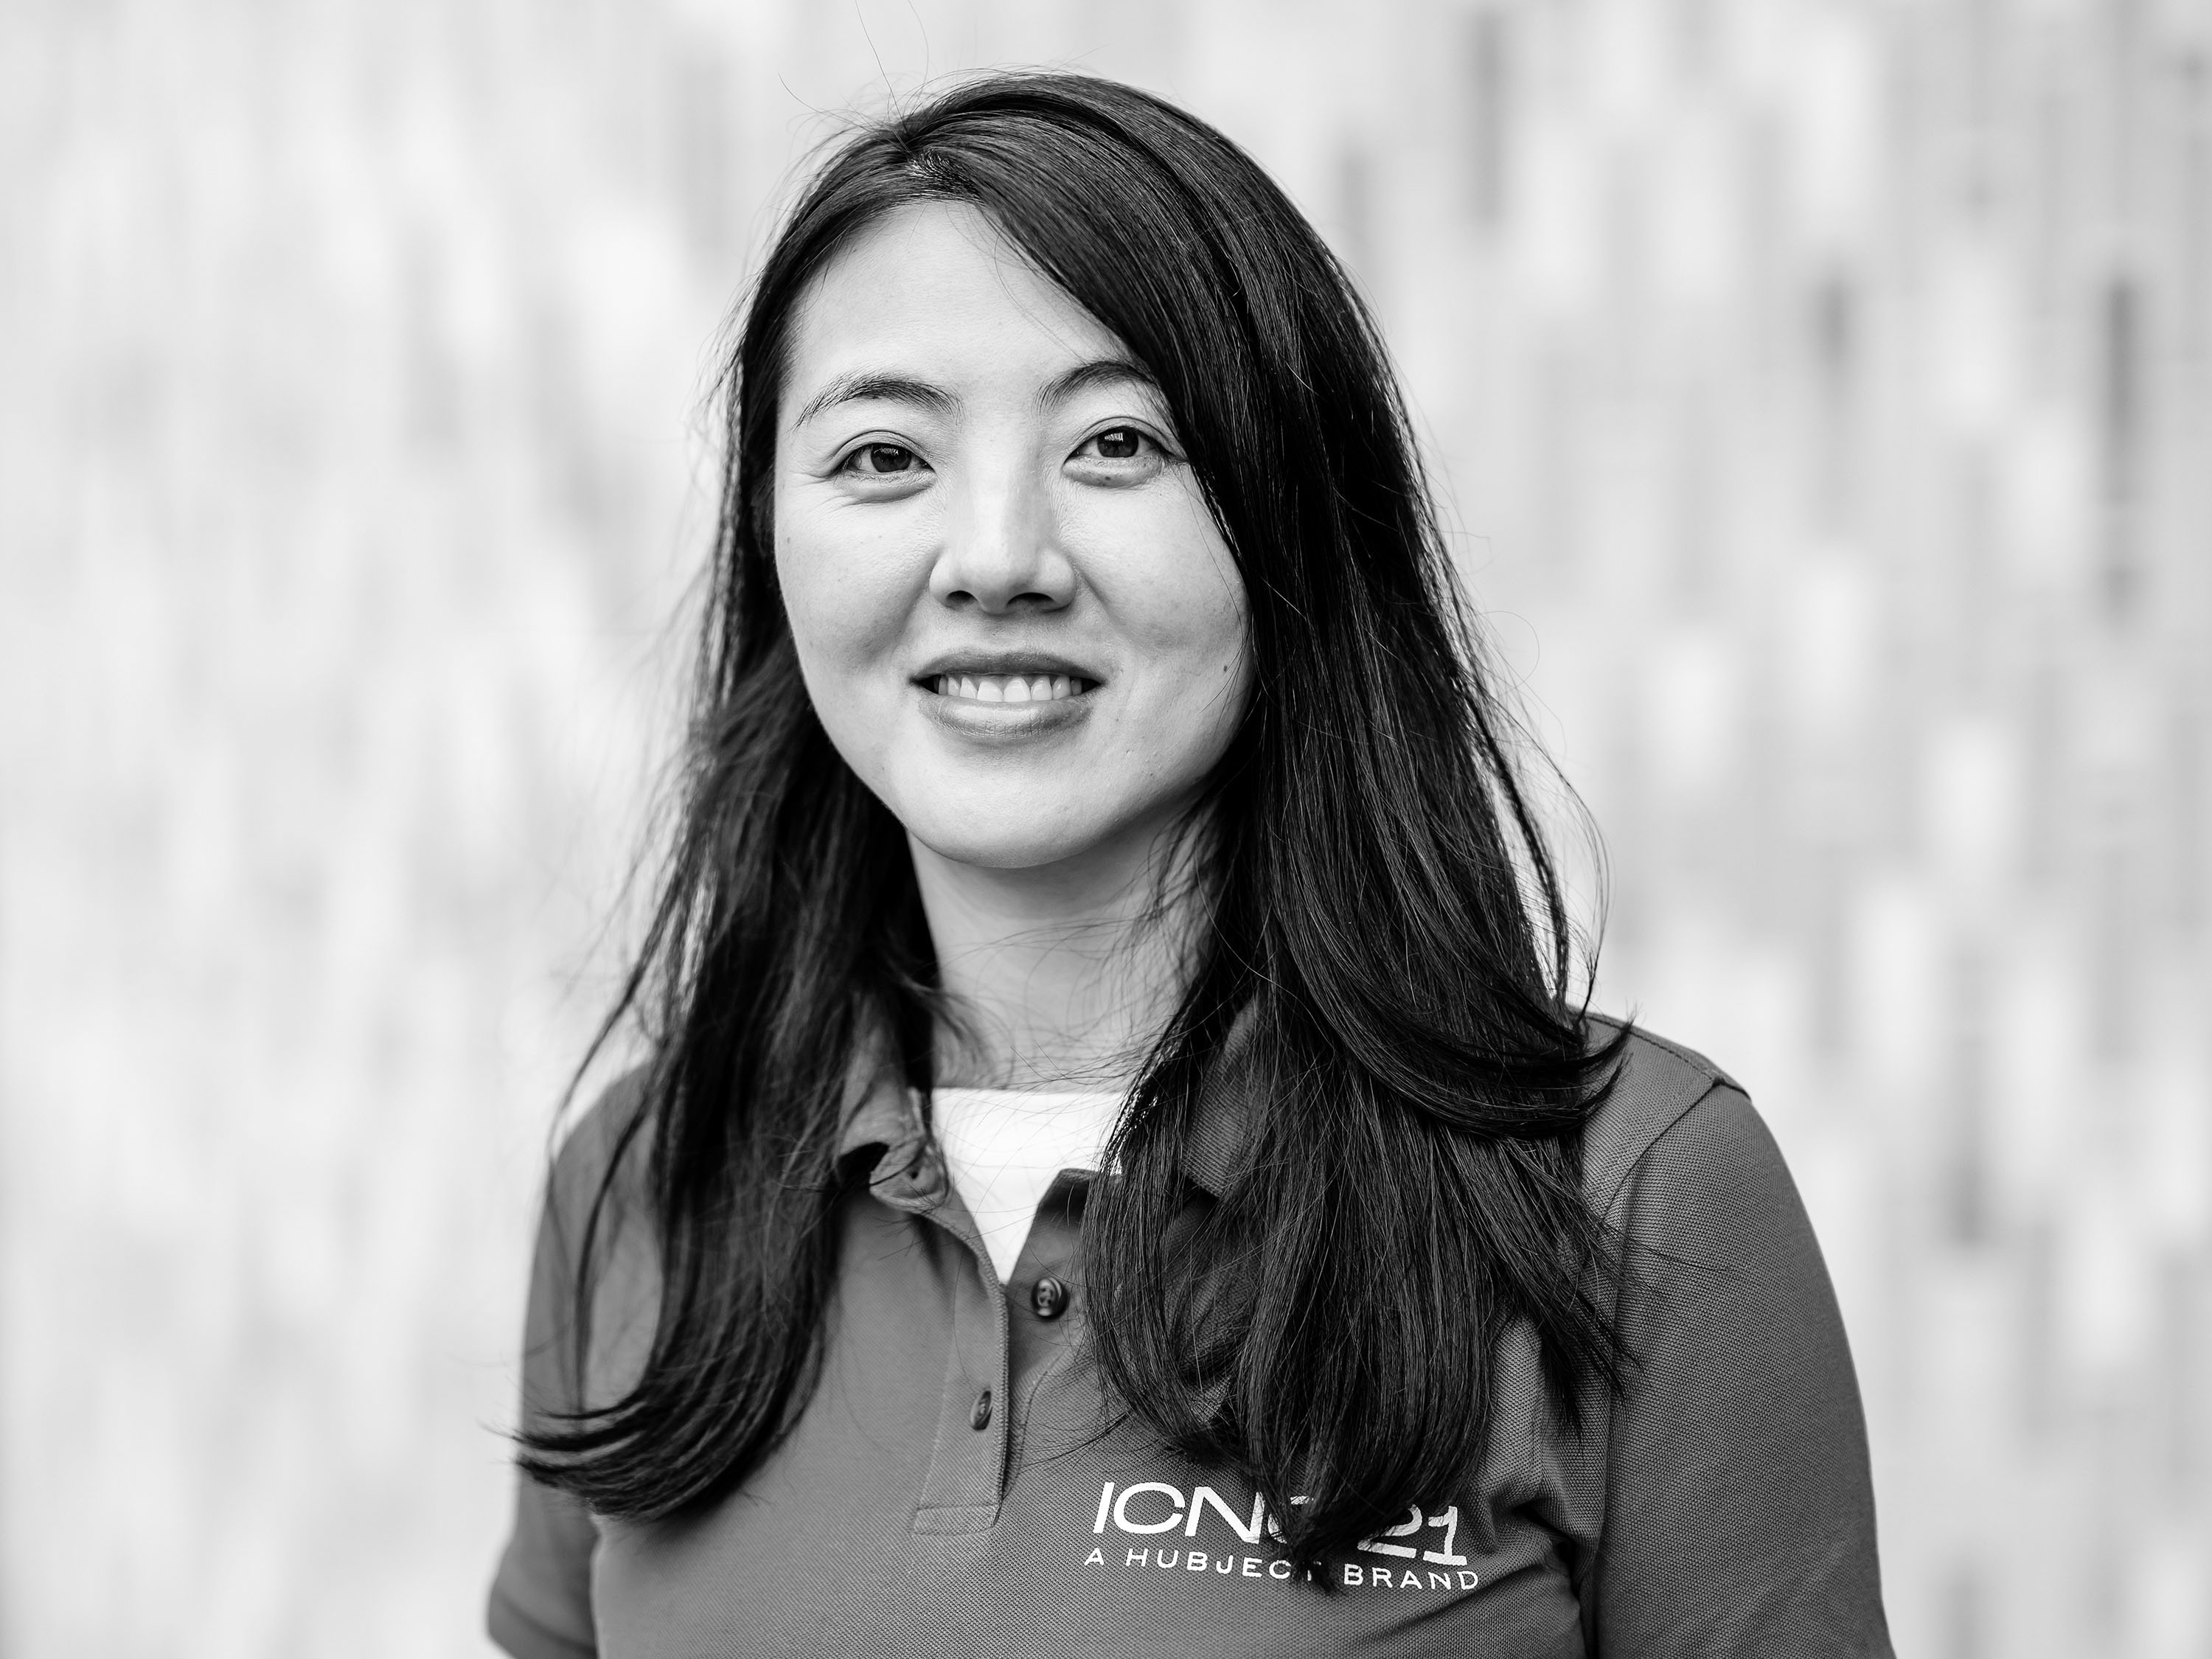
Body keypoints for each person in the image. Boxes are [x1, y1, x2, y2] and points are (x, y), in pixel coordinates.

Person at [485, 72, 1891, 1658]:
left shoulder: (1636, 1190)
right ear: (768, 537)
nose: (996, 558)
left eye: (1117, 442)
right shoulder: (641, 1179)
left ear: (1293, 522)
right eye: (882, 454)